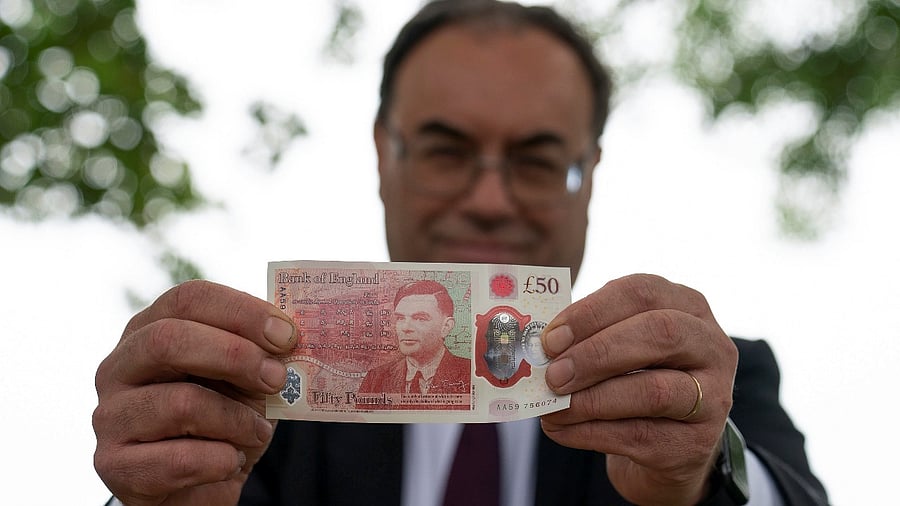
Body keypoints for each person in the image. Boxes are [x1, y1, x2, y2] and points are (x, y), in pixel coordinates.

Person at [92, 1, 830, 505]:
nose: (489, 198)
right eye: (447, 152)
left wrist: (704, 472)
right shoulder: (252, 407)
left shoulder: (703, 389)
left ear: (590, 175)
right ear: (386, 156)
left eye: (538, 160)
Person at [358, 280, 470, 396]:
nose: (406, 328)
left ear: (446, 327)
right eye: (401, 318)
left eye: (420, 318)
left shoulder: (469, 374)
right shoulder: (375, 379)